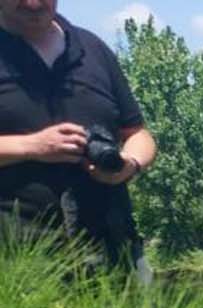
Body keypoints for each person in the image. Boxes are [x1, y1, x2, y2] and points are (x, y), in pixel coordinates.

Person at [0, 0, 157, 276]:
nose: (34, 3)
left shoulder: (92, 48)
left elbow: (138, 134)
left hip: (111, 249)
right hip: (15, 257)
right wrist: (30, 147)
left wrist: (129, 164)